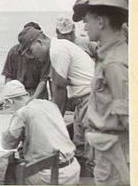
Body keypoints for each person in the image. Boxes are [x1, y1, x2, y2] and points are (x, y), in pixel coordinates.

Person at [17, 25, 95, 176]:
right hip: (82, 102)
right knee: (79, 150)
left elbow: (59, 90)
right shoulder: (58, 48)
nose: (32, 58)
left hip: (90, 101)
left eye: (31, 52)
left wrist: (50, 123)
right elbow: (61, 93)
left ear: (38, 41)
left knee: (91, 153)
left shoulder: (57, 51)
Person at [74, 0, 129, 186]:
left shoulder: (115, 63)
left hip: (114, 159)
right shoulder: (108, 55)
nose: (85, 27)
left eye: (87, 21)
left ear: (101, 22)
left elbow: (128, 117)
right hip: (106, 151)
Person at [1, 80, 80, 185]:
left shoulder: (22, 113)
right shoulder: (50, 105)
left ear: (9, 101)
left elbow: (7, 145)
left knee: (12, 170)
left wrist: (7, 131)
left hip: (52, 174)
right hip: (73, 169)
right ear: (27, 95)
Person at [2, 22, 49, 100]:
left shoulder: (44, 54)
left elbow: (43, 80)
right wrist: (7, 95)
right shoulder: (13, 51)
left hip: (38, 92)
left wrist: (34, 97)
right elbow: (8, 76)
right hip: (18, 92)